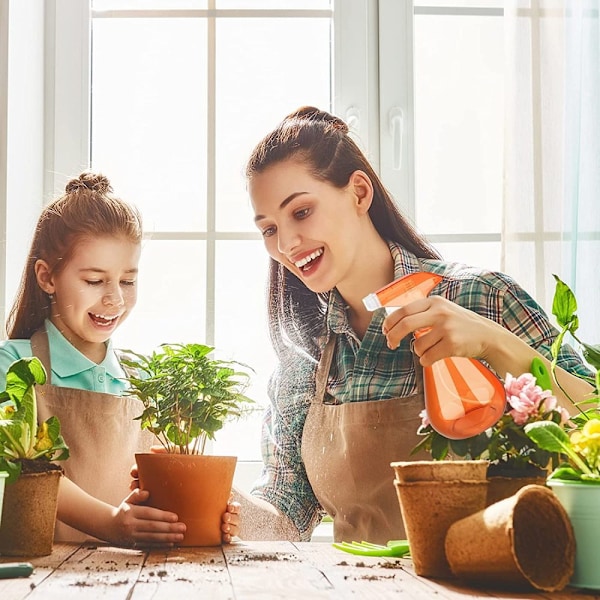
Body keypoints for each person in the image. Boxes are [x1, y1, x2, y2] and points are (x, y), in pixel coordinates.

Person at [230, 106, 594, 545]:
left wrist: (494, 343)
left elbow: (591, 422)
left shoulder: (480, 297)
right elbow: (285, 516)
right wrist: (214, 502)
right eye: (268, 229)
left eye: (301, 212)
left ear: (359, 193)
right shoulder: (304, 361)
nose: (286, 244)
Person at [0, 172, 238, 547]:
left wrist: (207, 509)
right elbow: (25, 469)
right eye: (95, 281)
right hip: (38, 575)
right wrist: (112, 523)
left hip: (126, 577)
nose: (115, 299)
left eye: (127, 281)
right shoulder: (13, 364)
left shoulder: (139, 379)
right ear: (47, 277)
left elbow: (156, 487)